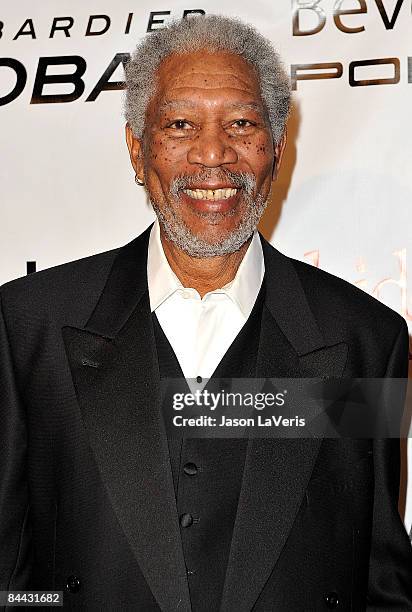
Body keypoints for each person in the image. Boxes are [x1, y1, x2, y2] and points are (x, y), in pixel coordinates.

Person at [0, 14, 411, 612]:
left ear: (275, 148)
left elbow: (379, 586)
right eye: (181, 124)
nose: (213, 154)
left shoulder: (366, 343)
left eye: (241, 124)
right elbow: (11, 579)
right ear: (139, 151)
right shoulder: (26, 329)